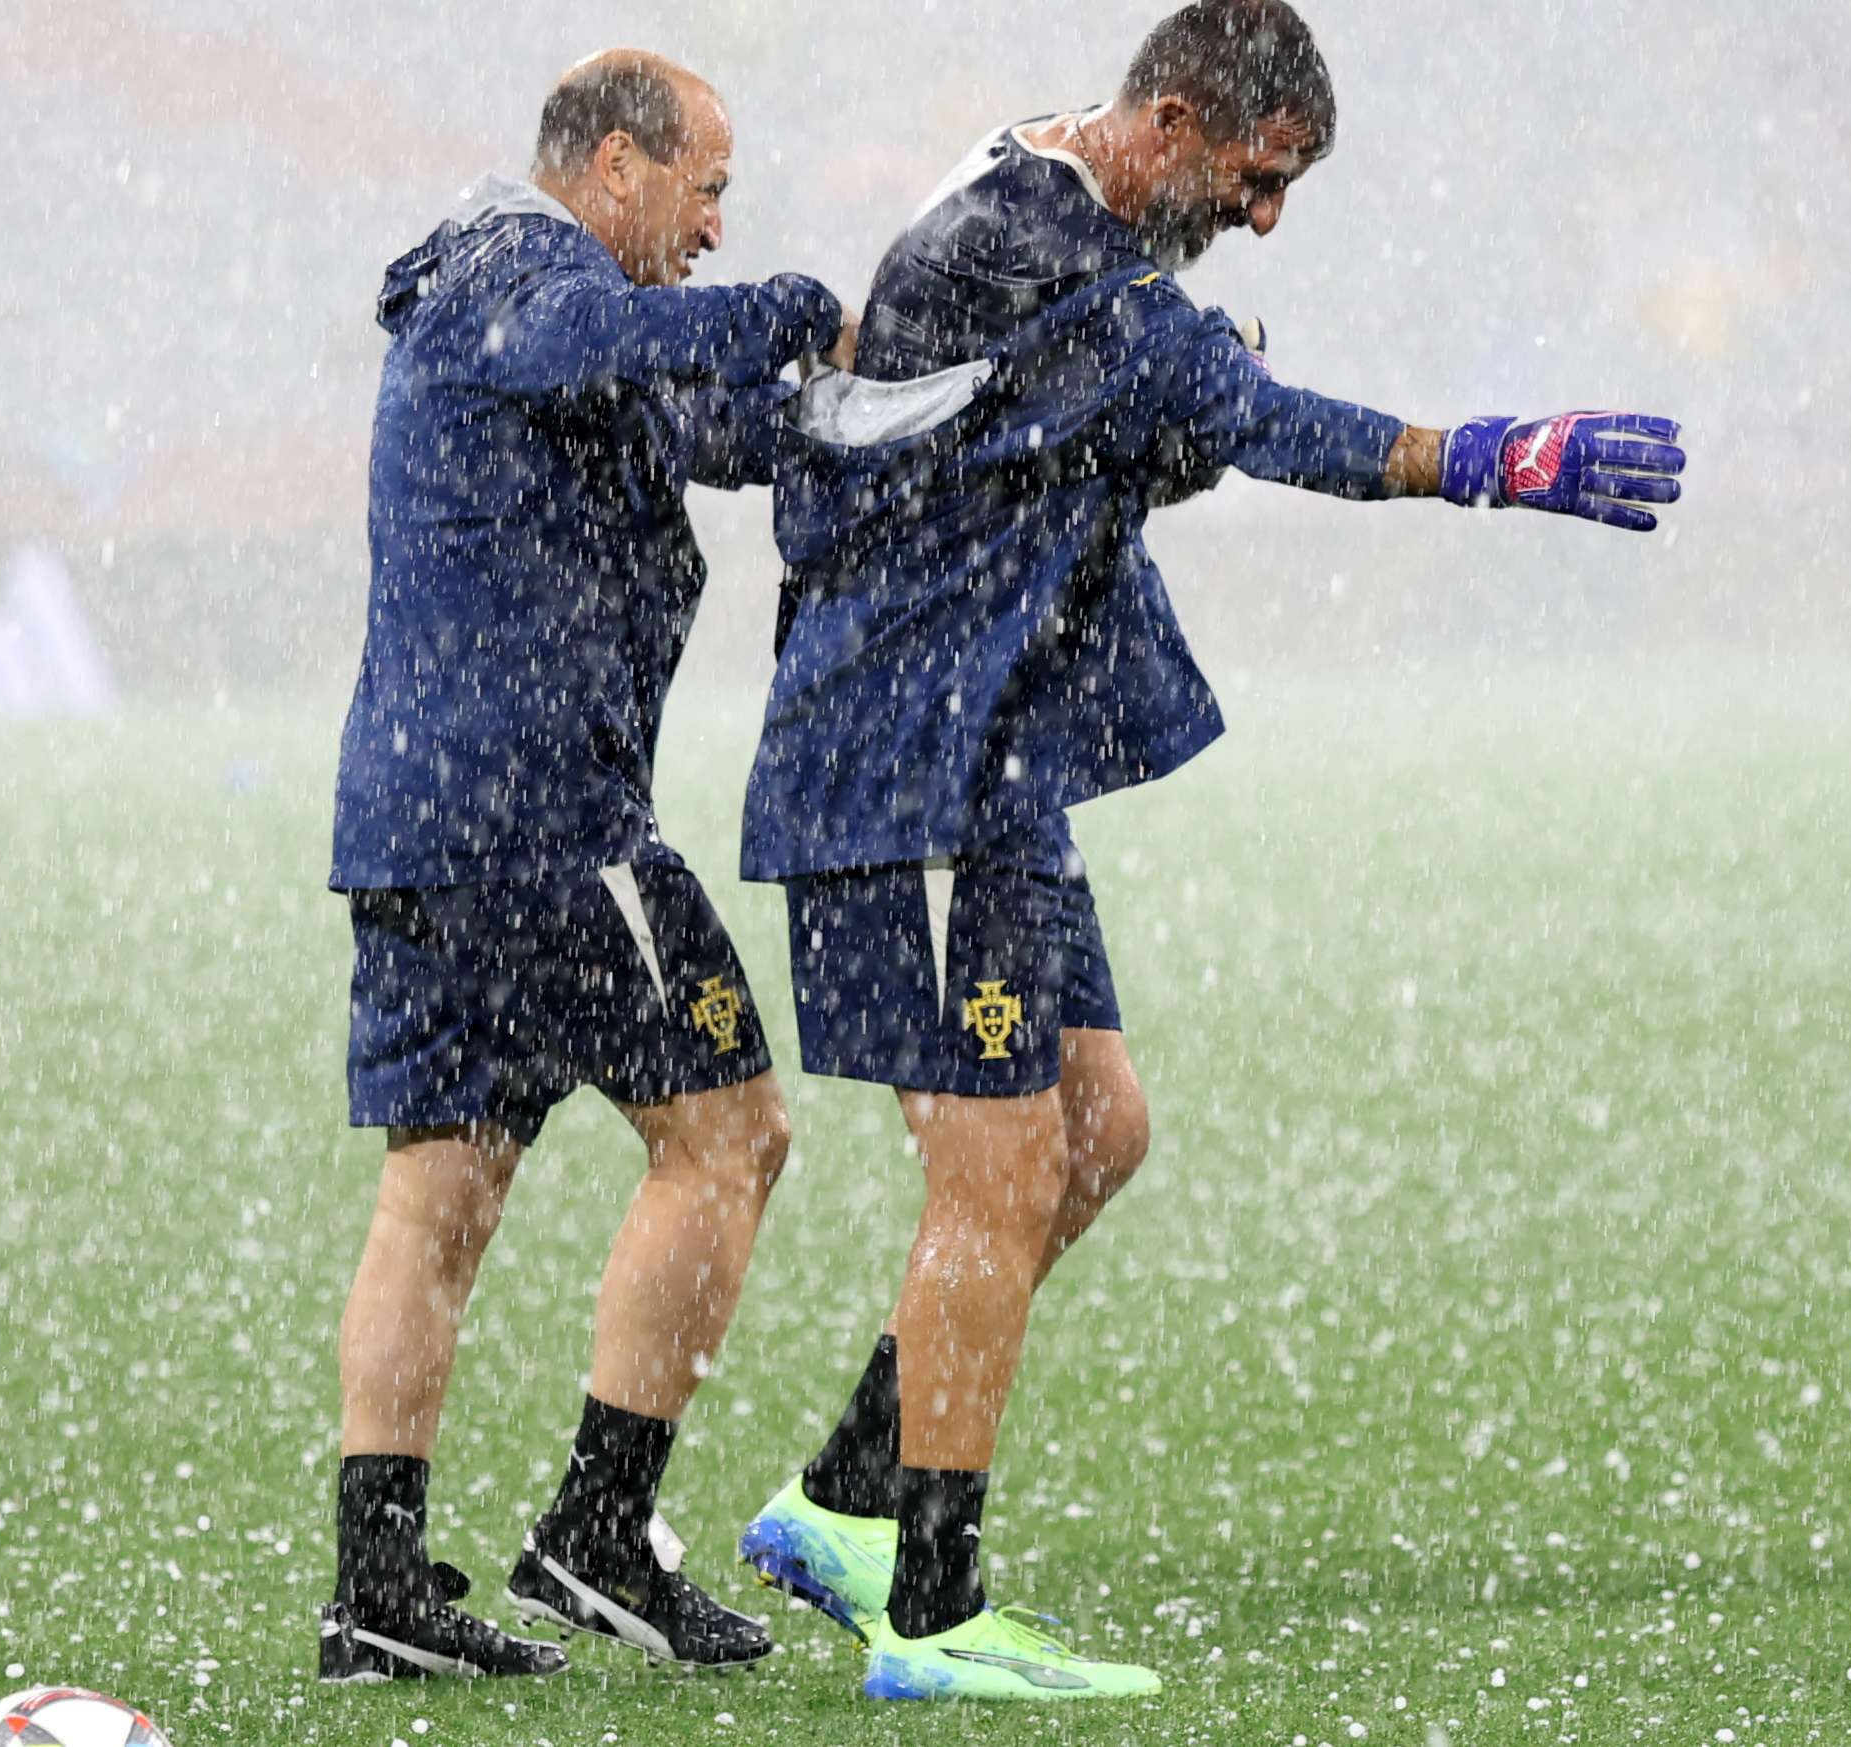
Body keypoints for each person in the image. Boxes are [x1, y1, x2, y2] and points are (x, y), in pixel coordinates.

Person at [731, 0, 1686, 1703]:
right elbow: (1261, 425)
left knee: (1096, 1133)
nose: (1262, 219)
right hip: (909, 771)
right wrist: (1482, 459)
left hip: (989, 763)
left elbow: (1057, 424)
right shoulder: (1043, 256)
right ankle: (934, 1618)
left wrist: (1163, 402)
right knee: (996, 1174)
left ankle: (839, 1501)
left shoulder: (1042, 190)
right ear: (1168, 124)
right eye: (1256, 181)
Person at [318, 48, 852, 1682]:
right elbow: (623, 341)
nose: (710, 225)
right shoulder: (521, 270)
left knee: (439, 1202)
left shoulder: (525, 311)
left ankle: (375, 1591)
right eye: (703, 189)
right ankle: (597, 1532)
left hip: (424, 824)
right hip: (540, 824)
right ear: (611, 166)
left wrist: (914, 394)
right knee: (732, 1138)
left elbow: (732, 429)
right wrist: (793, 300)